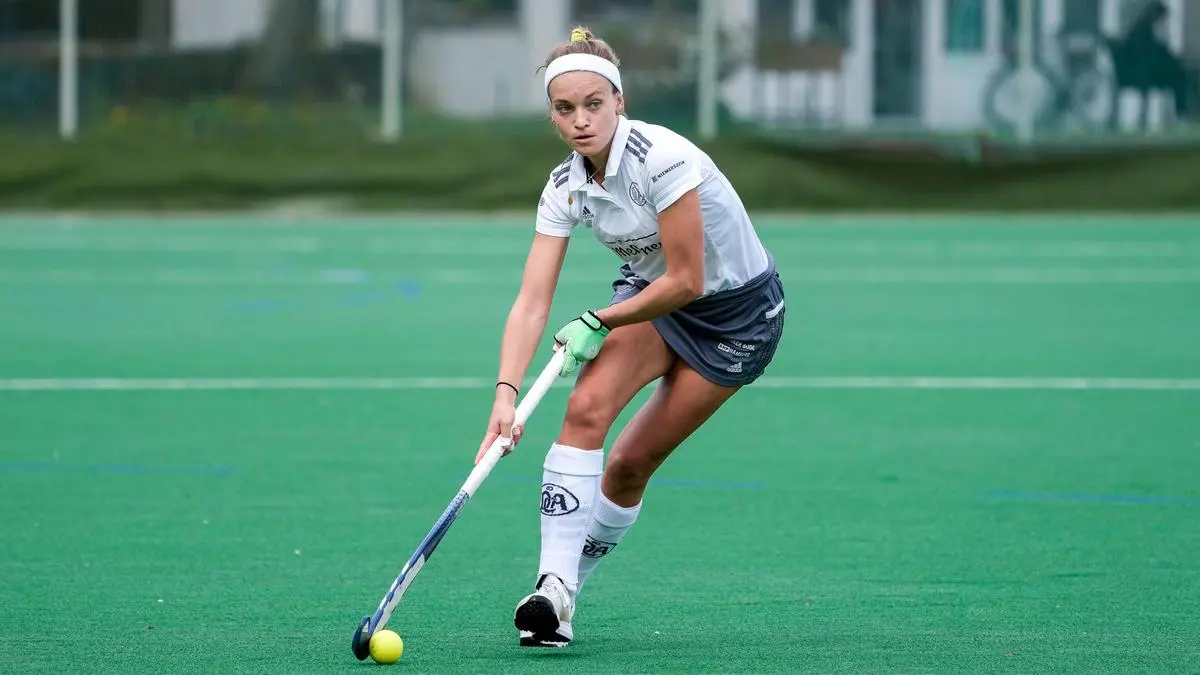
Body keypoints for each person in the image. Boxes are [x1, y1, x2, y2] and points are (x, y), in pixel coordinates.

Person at [474, 26, 786, 648]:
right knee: (586, 406)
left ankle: (572, 584)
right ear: (552, 115)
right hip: (652, 299)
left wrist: (600, 319)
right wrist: (505, 394)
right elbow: (532, 300)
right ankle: (552, 591)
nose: (581, 120)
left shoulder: (662, 158)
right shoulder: (564, 186)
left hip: (736, 316)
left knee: (628, 465)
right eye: (565, 108)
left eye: (594, 104)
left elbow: (688, 279)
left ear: (619, 101)